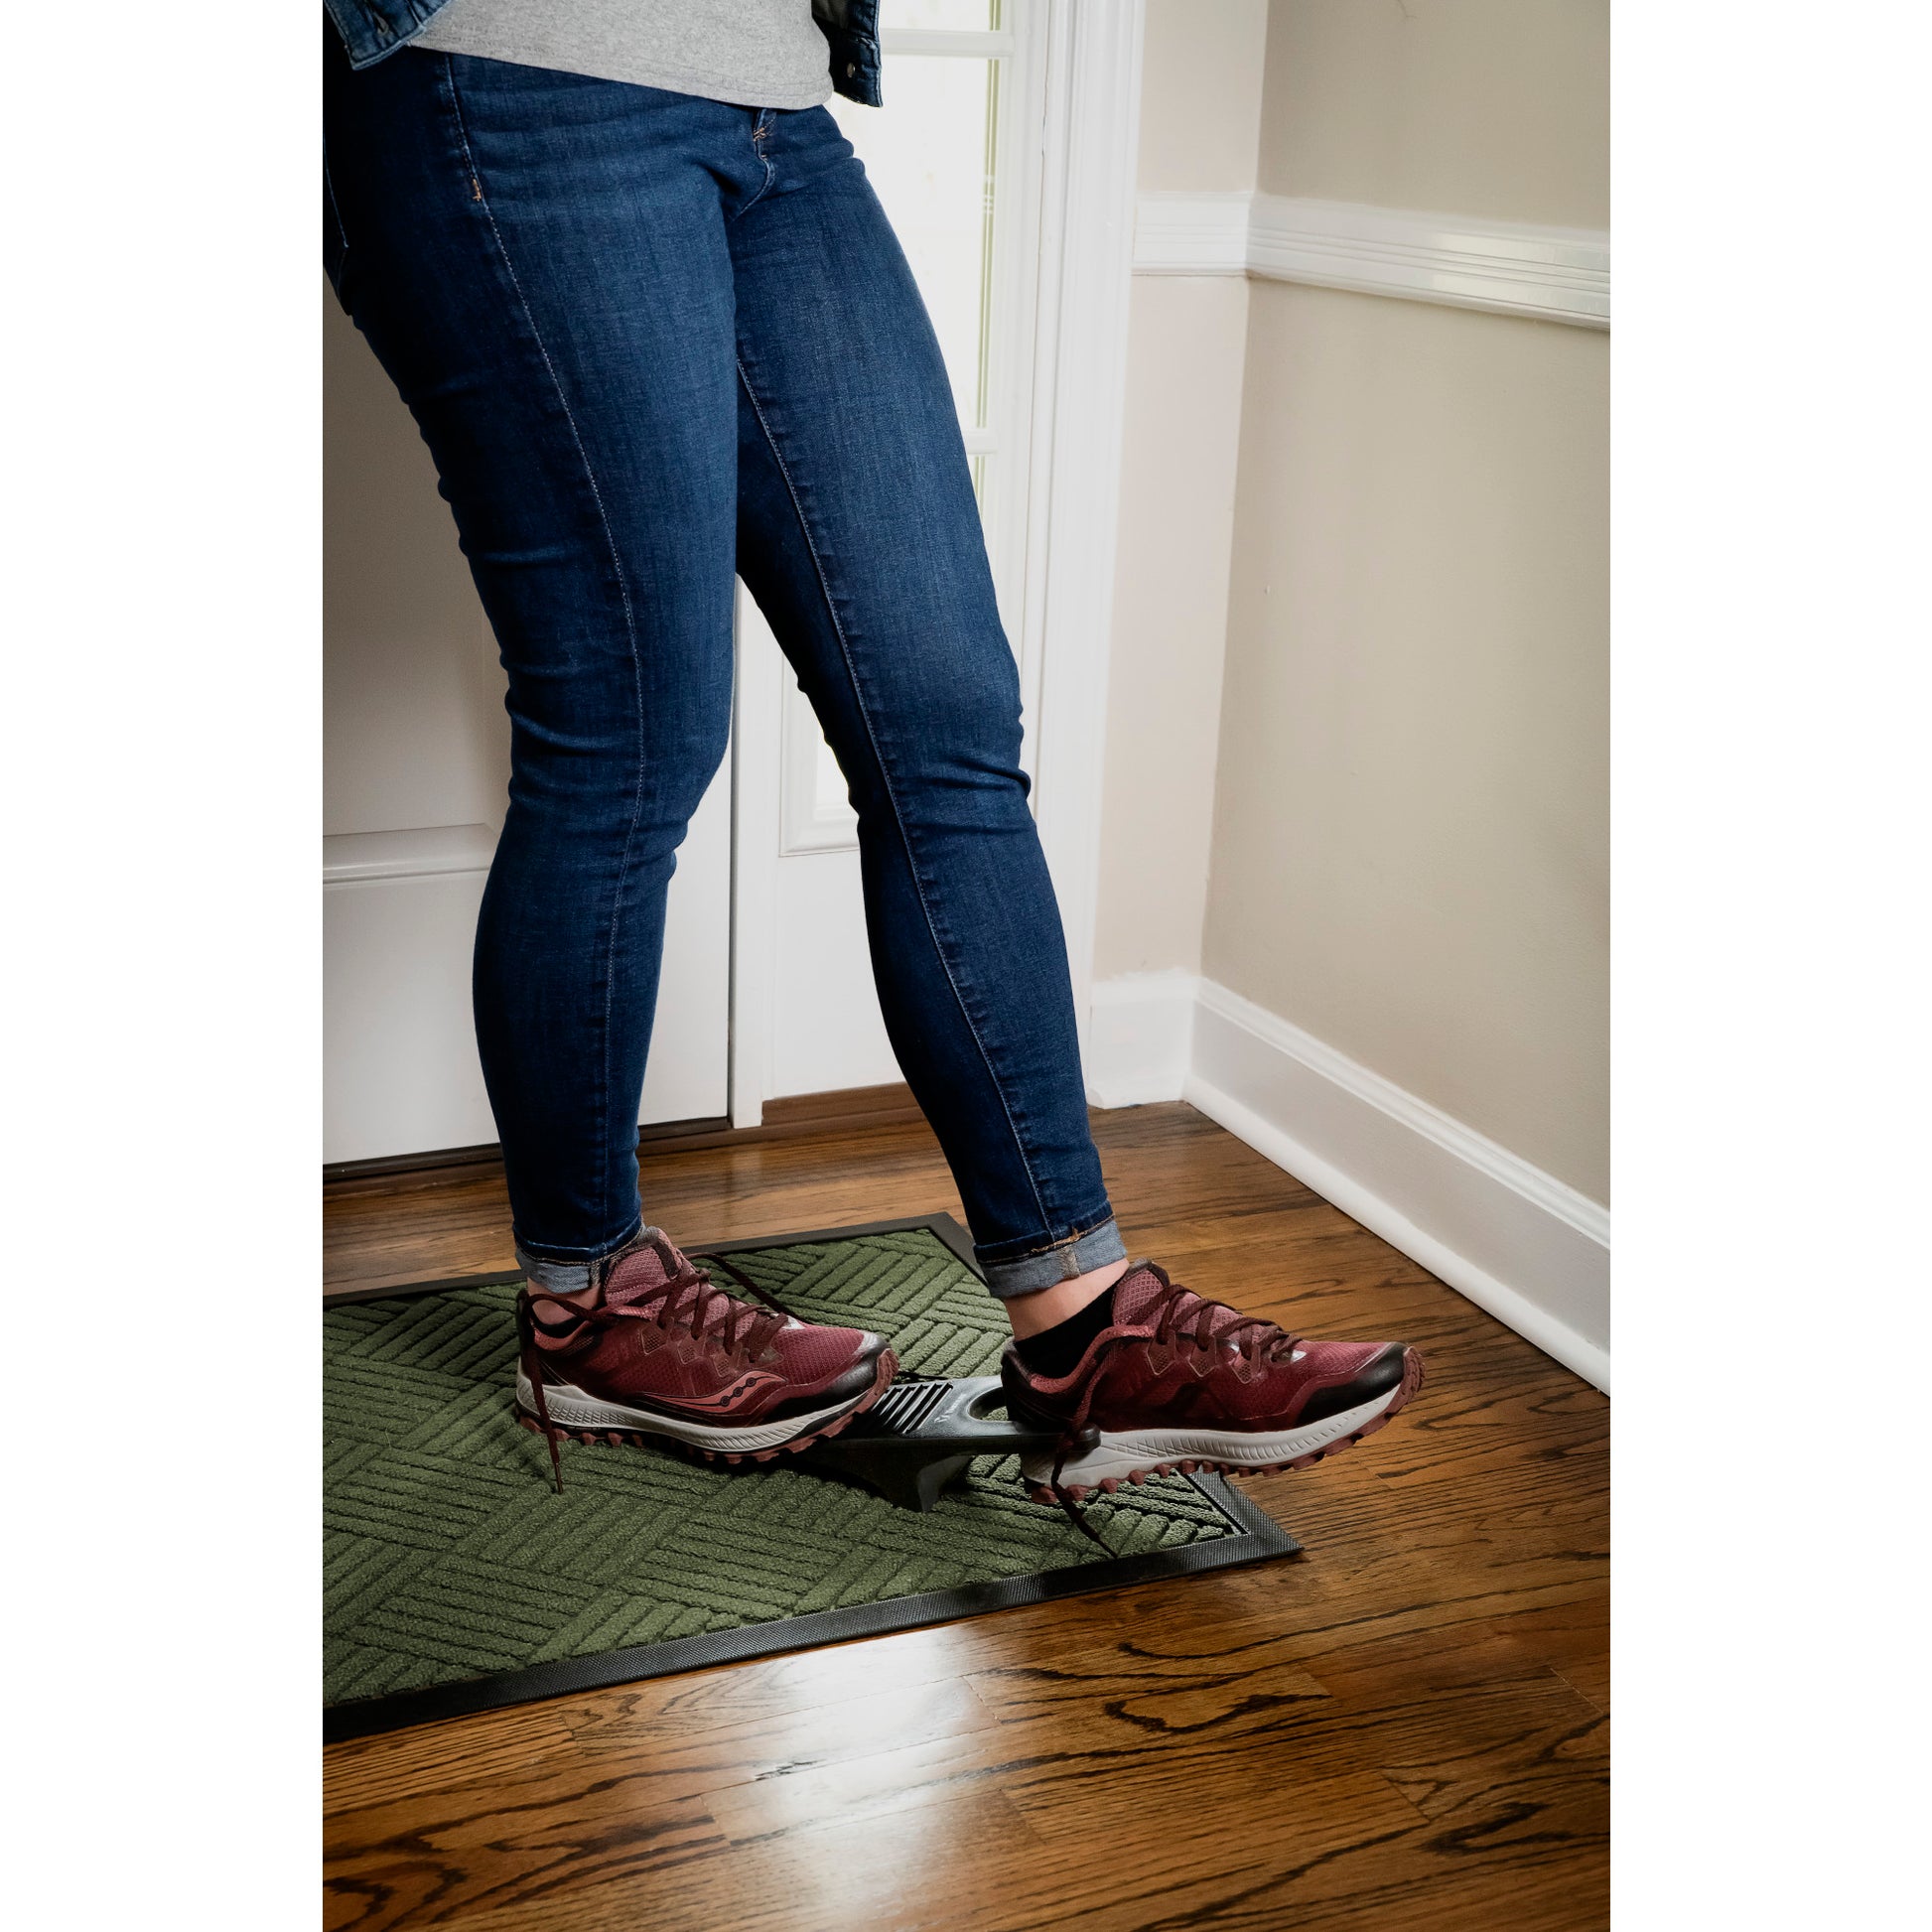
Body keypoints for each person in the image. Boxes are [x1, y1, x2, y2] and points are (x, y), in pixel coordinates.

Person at [323, 0, 1422, 1513]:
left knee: (946, 720)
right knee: (630, 740)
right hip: (515, 75)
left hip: (770, 99)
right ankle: (592, 1304)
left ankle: (1080, 1325)